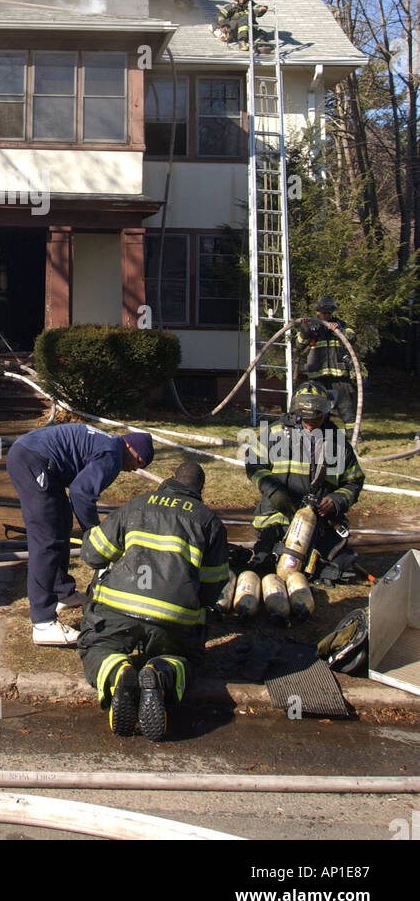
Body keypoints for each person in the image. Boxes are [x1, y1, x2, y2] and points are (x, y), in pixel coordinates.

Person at [78, 461, 228, 739]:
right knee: (185, 658)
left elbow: (93, 554)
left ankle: (116, 673)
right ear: (200, 489)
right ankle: (160, 673)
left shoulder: (138, 505)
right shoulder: (209, 521)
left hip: (119, 607)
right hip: (173, 618)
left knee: (95, 645)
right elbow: (211, 588)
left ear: (170, 479)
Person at [5, 424, 154, 647]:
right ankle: (43, 623)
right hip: (32, 459)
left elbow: (78, 488)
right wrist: (93, 535)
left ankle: (62, 591)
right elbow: (81, 493)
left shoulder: (109, 444)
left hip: (37, 458)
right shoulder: (113, 454)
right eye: (139, 462)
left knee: (61, 522)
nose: (134, 469)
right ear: (131, 449)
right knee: (45, 539)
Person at [244, 382, 365, 584]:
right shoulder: (275, 434)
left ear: (326, 414)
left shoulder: (338, 443)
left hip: (318, 522)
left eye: (316, 418)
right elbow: (253, 464)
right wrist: (273, 490)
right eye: (306, 418)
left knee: (338, 566)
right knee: (268, 561)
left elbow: (354, 481)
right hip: (278, 517)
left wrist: (336, 501)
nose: (310, 424)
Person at [293, 295, 359, 428]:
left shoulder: (341, 325)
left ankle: (354, 436)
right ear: (318, 312)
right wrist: (305, 330)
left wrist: (338, 330)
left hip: (339, 376)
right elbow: (299, 345)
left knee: (347, 407)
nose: (326, 315)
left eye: (329, 313)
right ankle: (322, 432)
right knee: (319, 408)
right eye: (323, 312)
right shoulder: (311, 326)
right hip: (318, 377)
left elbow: (352, 337)